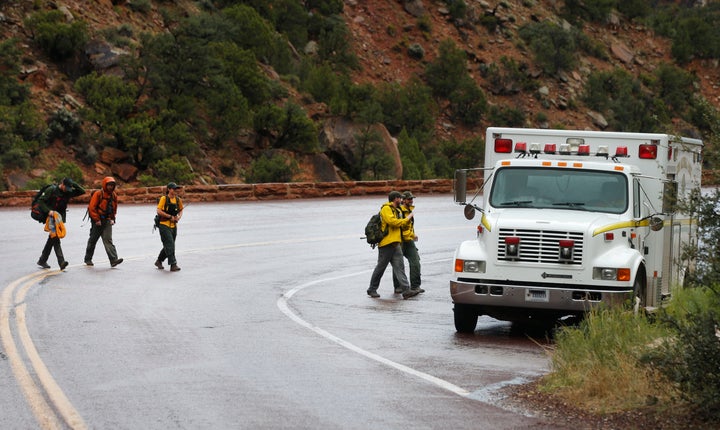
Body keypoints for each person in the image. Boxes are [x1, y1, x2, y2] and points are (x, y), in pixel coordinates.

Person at [367, 191, 420, 299]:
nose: (401, 200)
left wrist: (408, 226)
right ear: (395, 198)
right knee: (380, 268)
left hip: (396, 244)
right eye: (400, 198)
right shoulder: (386, 209)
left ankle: (406, 291)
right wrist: (406, 219)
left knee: (399, 268)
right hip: (386, 244)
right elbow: (393, 222)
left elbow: (401, 226)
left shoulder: (397, 210)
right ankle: (372, 289)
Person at [36, 177, 86, 270]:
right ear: (62, 184)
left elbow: (82, 191)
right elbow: (40, 201)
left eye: (69, 188)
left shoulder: (68, 191)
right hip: (51, 217)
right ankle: (61, 262)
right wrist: (48, 211)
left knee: (52, 238)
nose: (68, 190)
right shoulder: (52, 190)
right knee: (55, 238)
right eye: (66, 187)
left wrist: (72, 183)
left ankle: (42, 260)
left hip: (59, 219)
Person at [84, 176, 123, 267]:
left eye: (112, 185)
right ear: (105, 185)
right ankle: (88, 259)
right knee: (93, 240)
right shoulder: (98, 194)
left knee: (108, 240)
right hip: (97, 221)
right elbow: (92, 208)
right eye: (109, 185)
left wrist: (113, 218)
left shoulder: (114, 195)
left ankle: (113, 260)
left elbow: (114, 208)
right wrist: (97, 220)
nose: (110, 187)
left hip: (107, 221)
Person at [393, 191, 424, 294]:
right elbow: (401, 226)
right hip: (400, 241)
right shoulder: (399, 211)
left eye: (412, 199)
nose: (411, 201)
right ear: (403, 200)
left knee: (415, 262)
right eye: (409, 199)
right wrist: (412, 235)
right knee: (398, 264)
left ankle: (415, 286)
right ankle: (398, 287)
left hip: (409, 240)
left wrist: (413, 235)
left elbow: (409, 227)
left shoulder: (409, 210)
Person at [155, 182, 184, 272]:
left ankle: (159, 261)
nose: (175, 190)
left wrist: (178, 217)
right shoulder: (164, 199)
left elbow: (181, 210)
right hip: (164, 225)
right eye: (174, 189)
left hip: (173, 226)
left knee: (169, 245)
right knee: (170, 244)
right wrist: (170, 217)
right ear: (168, 189)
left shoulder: (178, 200)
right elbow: (158, 211)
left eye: (176, 189)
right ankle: (173, 264)